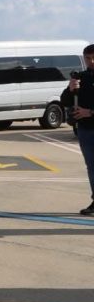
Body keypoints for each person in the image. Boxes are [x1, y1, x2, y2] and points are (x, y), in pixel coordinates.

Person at [63, 44, 94, 215]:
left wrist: (89, 112)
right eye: (88, 58)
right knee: (91, 167)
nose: (91, 61)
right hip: (85, 130)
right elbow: (65, 100)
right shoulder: (81, 78)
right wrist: (70, 89)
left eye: (93, 58)